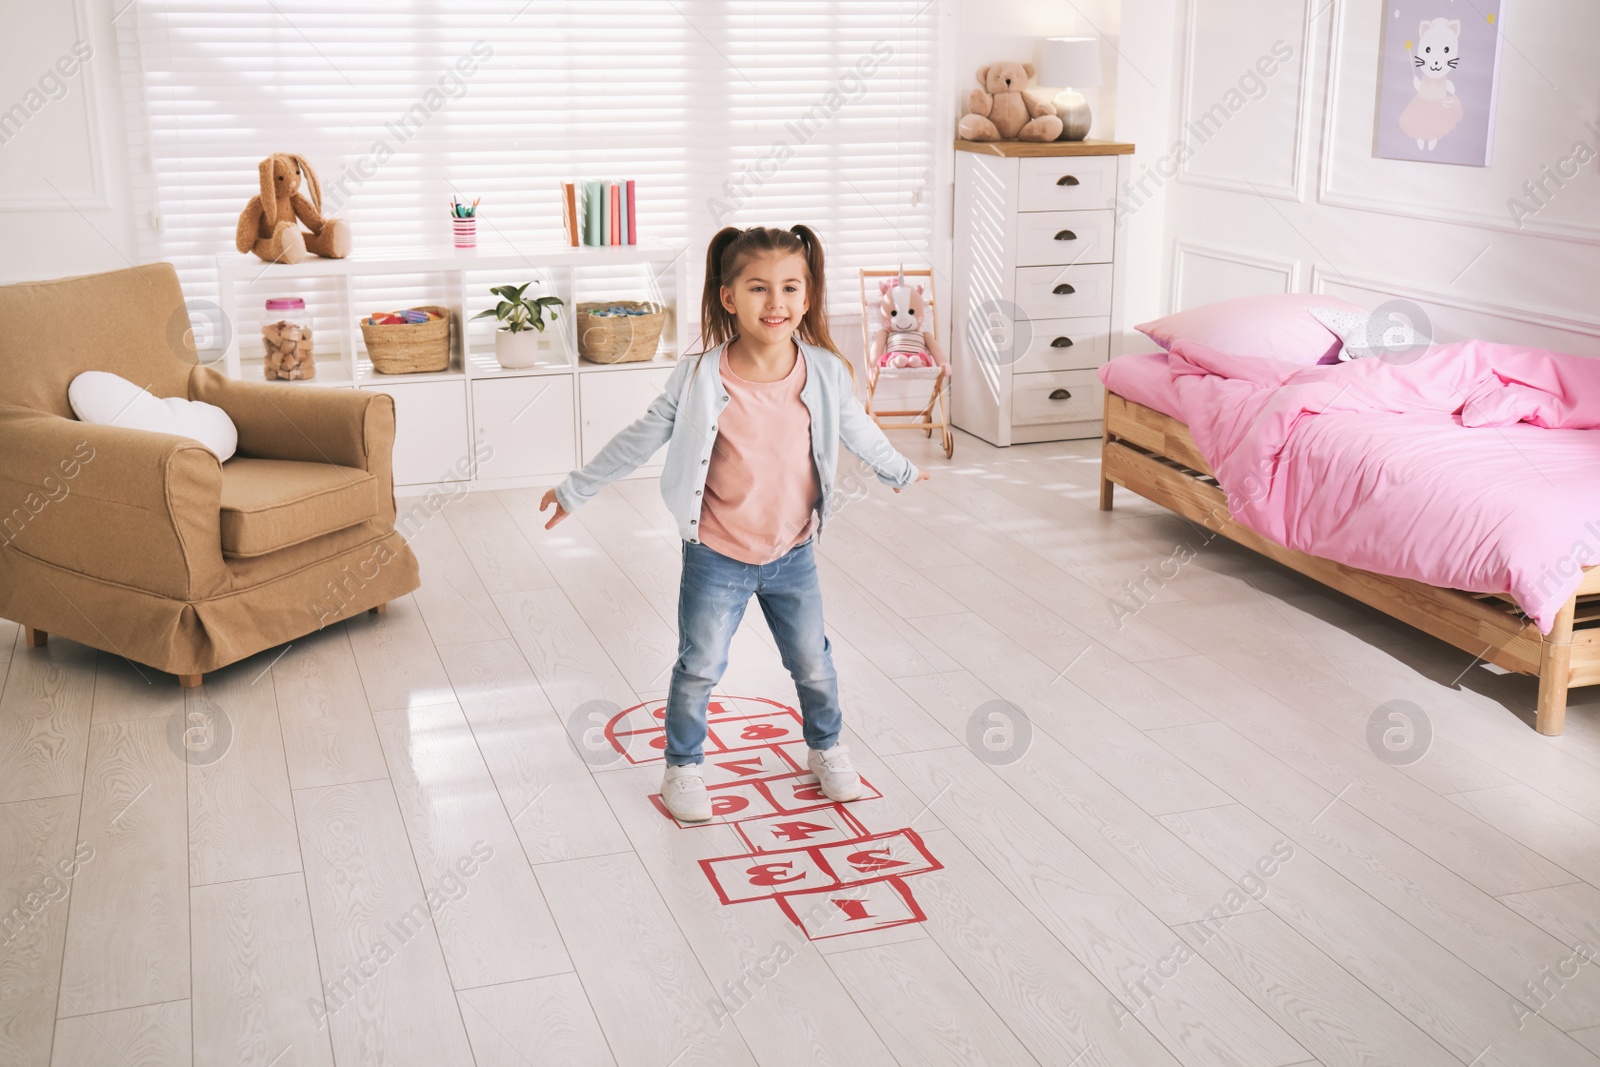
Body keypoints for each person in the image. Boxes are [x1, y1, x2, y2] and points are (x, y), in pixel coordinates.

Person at [539, 224, 930, 822]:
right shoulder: (699, 377)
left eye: (790, 288)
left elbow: (860, 430)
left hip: (792, 553)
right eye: (757, 289)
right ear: (728, 298)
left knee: (813, 662)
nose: (775, 303)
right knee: (699, 665)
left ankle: (826, 748)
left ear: (807, 295)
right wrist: (577, 488)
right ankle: (684, 765)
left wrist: (899, 469)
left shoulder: (825, 371)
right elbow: (639, 438)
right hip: (717, 555)